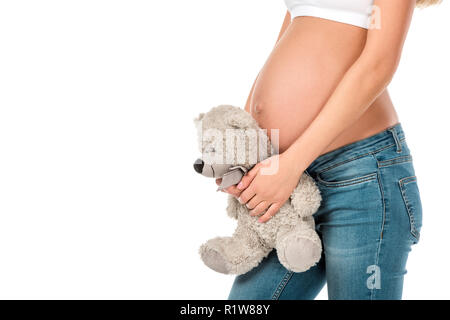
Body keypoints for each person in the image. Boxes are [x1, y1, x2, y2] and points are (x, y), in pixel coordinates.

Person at [217, 0, 439, 300]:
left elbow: (378, 66)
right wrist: (247, 146)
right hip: (292, 180)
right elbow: (289, 39)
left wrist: (292, 164)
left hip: (361, 177)